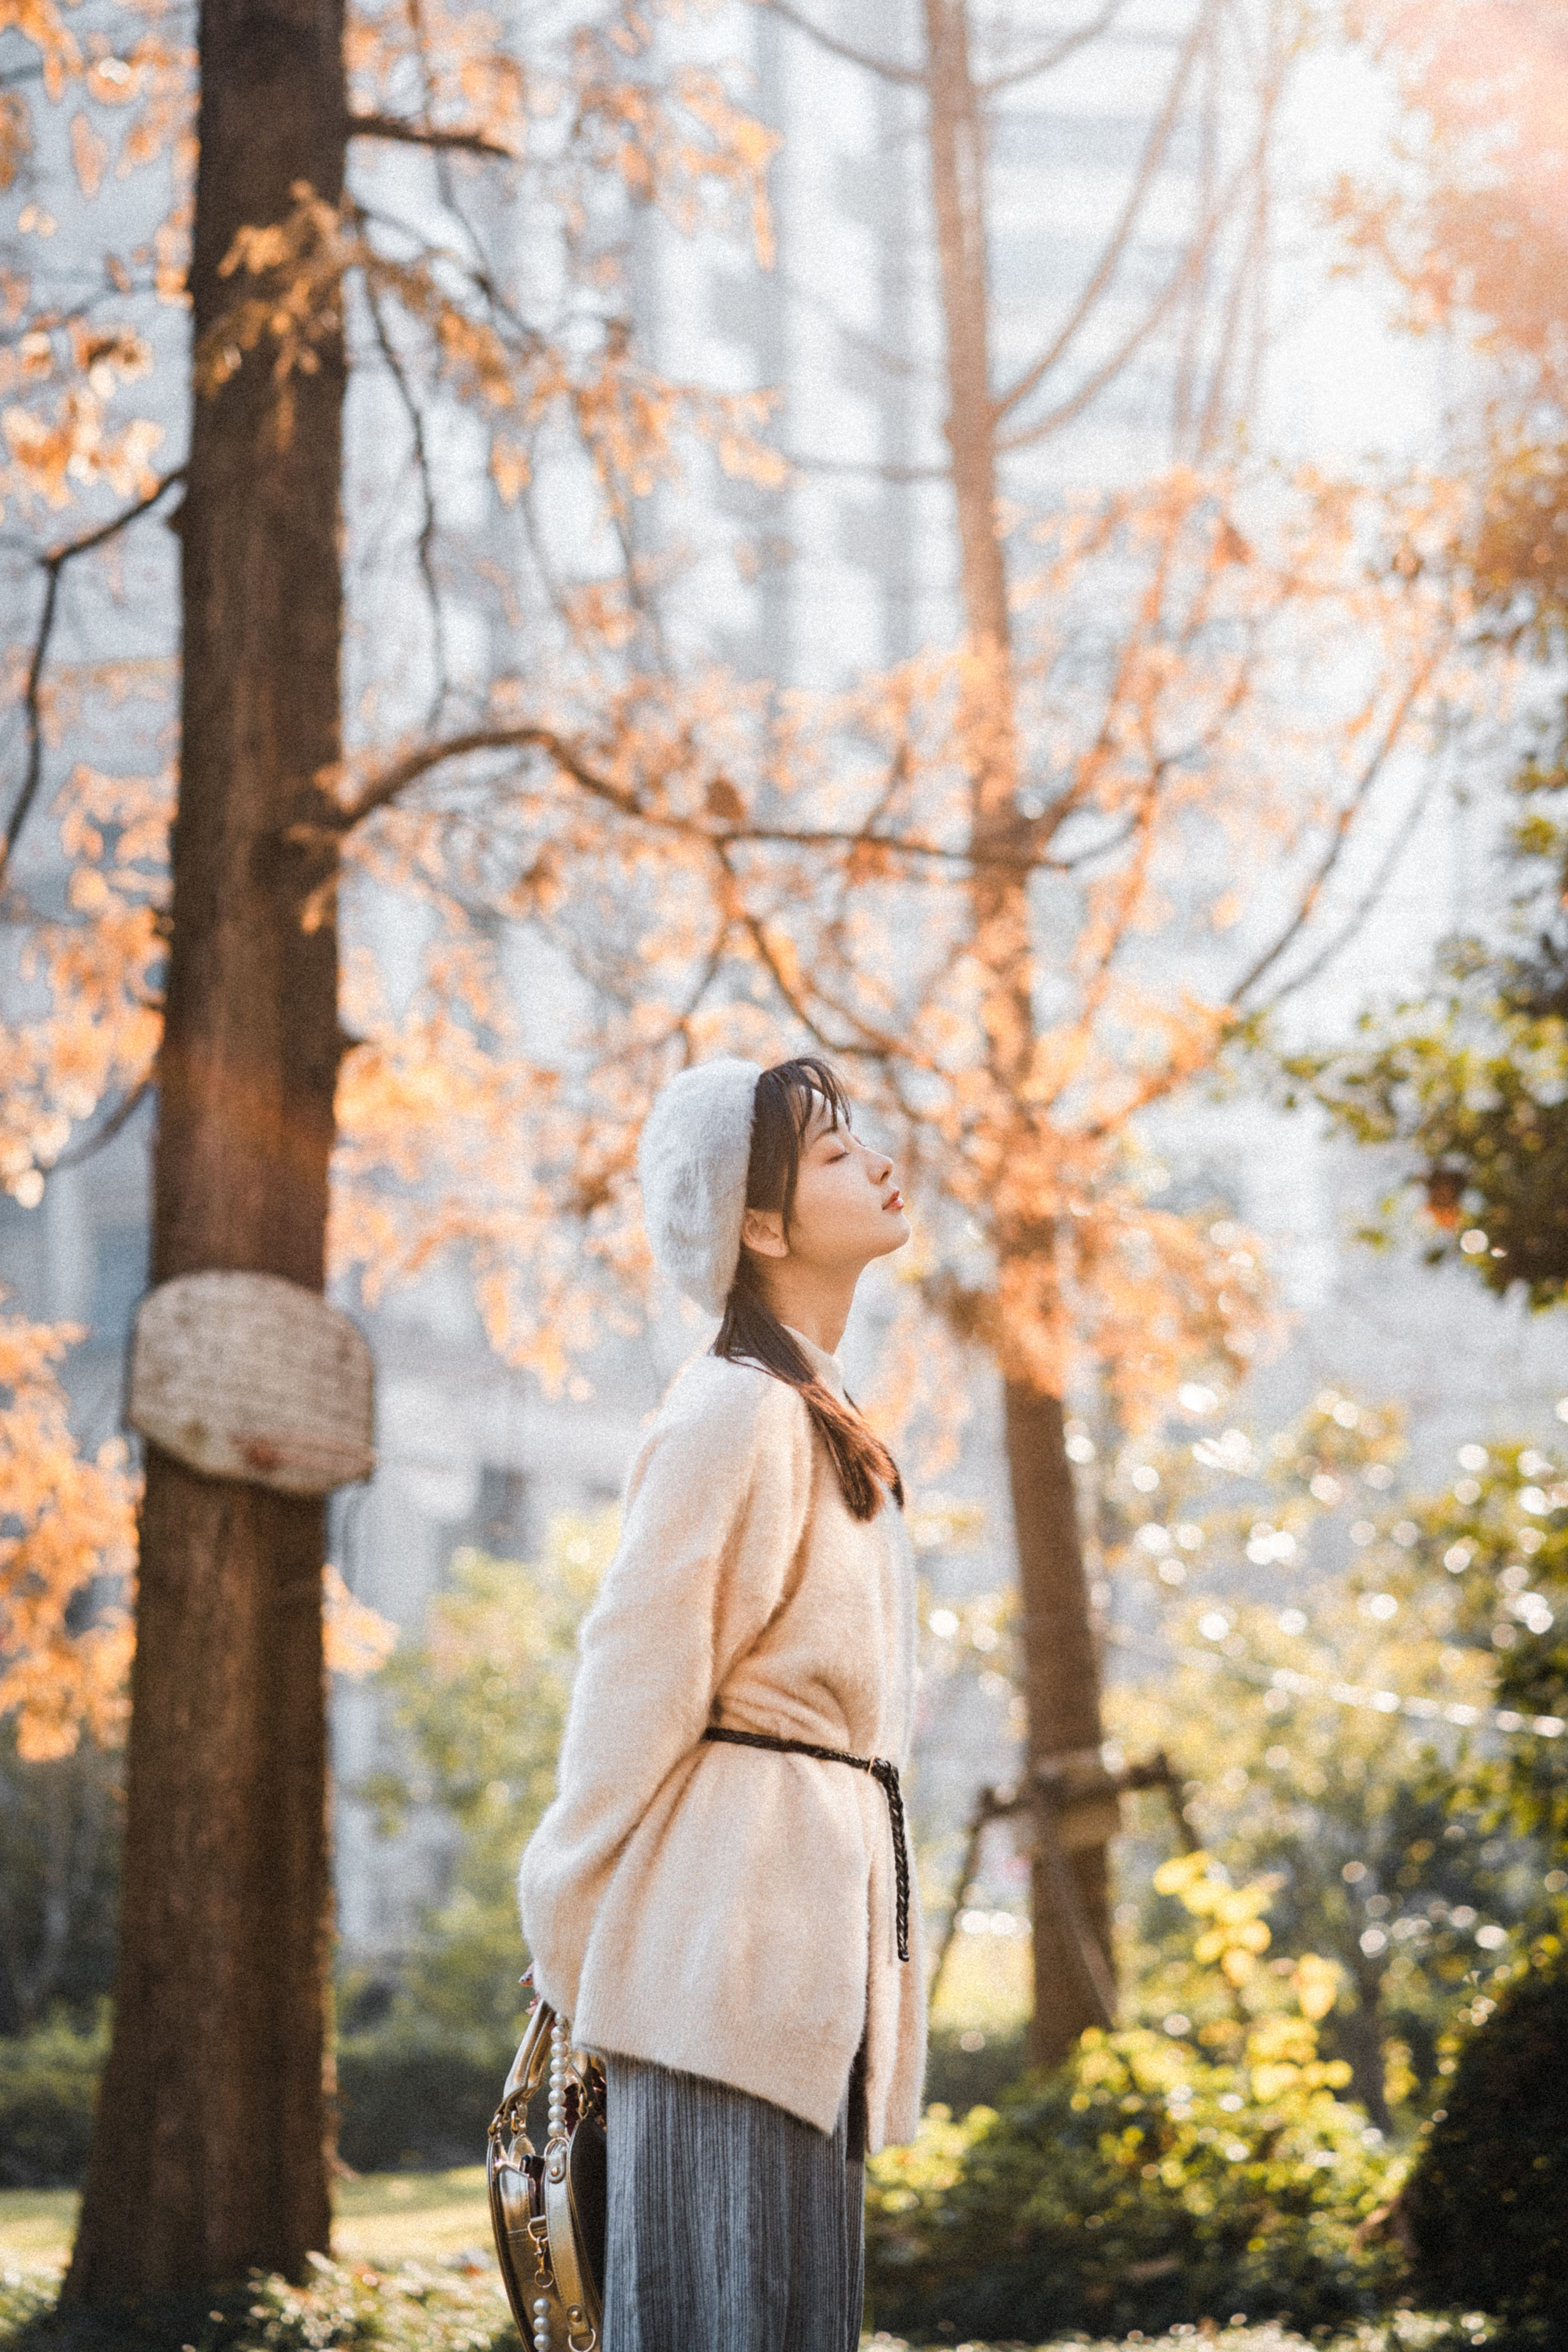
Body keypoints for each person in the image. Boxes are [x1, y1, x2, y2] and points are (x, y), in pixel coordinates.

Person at [518, 1053, 928, 2352]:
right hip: (721, 1956)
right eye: (827, 1153)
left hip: (799, 1954)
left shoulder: (816, 1410)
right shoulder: (735, 1410)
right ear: (757, 1224)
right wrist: (572, 1928)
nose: (872, 1159)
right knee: (723, 2315)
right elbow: (630, 1683)